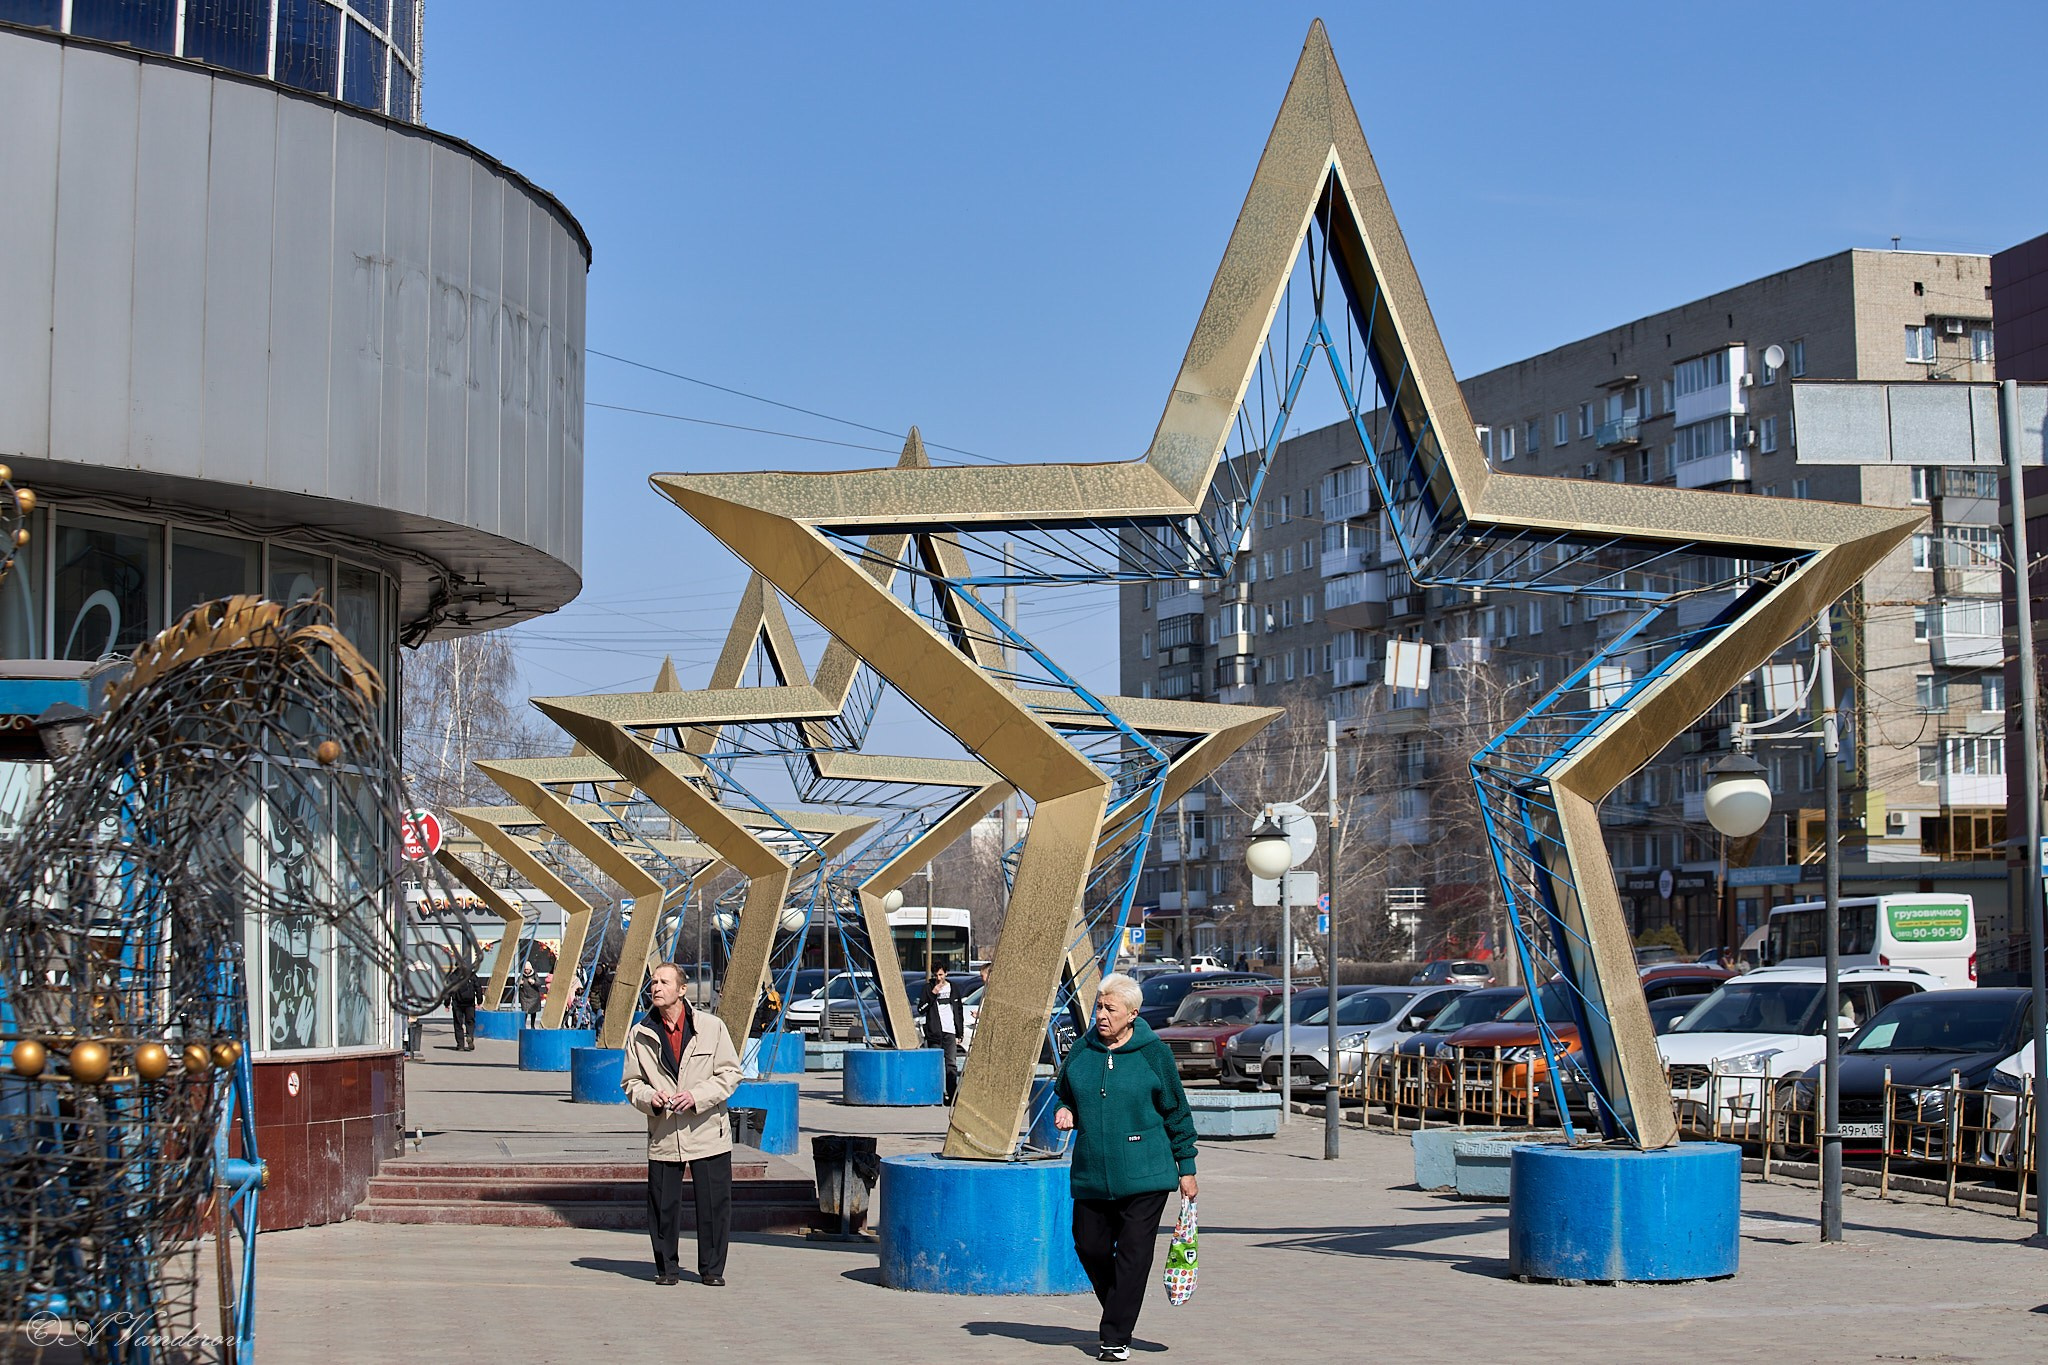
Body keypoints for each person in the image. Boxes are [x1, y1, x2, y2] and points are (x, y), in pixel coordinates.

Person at [1053, 971, 1198, 1363]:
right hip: (1092, 1173)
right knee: (1089, 1245)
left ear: (1132, 1014)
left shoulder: (1155, 1054)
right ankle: (1120, 1306)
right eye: (1099, 1006)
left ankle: (1114, 1337)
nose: (1101, 1014)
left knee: (1134, 1254)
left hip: (1146, 1173)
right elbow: (1064, 1091)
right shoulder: (1082, 1052)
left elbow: (1177, 1112)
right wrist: (1066, 1110)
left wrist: (1186, 1166)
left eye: (1109, 1008)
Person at [620, 962, 743, 1287]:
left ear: (681, 990)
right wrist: (651, 1098)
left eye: (663, 982)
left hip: (707, 1130)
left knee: (714, 1205)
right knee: (662, 1206)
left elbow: (731, 1074)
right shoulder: (640, 1033)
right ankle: (666, 1269)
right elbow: (631, 1082)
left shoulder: (712, 1027)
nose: (656, 987)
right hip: (664, 1132)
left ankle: (712, 1271)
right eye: (653, 982)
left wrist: (697, 1096)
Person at [919, 965, 968, 1105]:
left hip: (950, 1031)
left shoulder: (953, 988)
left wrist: (960, 1032)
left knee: (951, 1064)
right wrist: (933, 994)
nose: (938, 978)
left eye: (941, 975)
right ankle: (935, 1094)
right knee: (936, 1064)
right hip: (935, 1032)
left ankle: (952, 1096)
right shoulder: (928, 988)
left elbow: (958, 1011)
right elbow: (921, 1009)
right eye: (936, 975)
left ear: (946, 973)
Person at [446, 960, 482, 1051]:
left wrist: (446, 1003)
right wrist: (479, 1000)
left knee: (458, 1024)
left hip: (457, 1003)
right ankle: (470, 1036)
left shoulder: (453, 976)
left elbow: (448, 991)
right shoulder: (471, 975)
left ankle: (460, 1045)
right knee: (470, 1022)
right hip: (469, 1003)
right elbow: (478, 987)